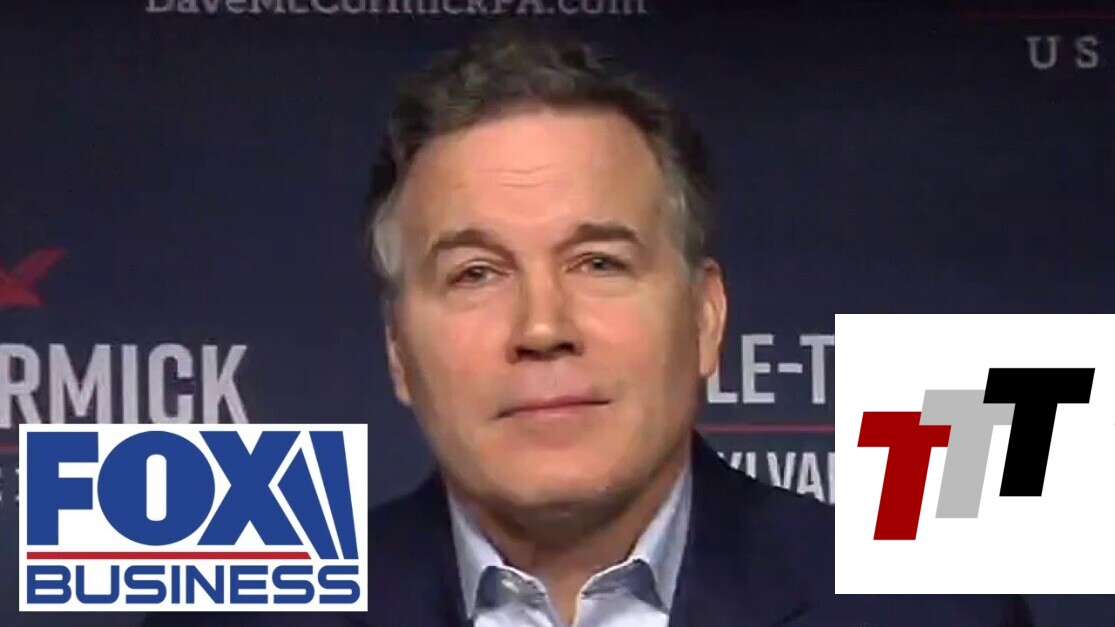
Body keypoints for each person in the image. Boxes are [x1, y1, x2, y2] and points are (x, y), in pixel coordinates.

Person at [149, 23, 1034, 627]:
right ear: (398, 355)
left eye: (599, 263)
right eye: (475, 273)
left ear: (704, 318)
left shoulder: (929, 607)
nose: (542, 326)